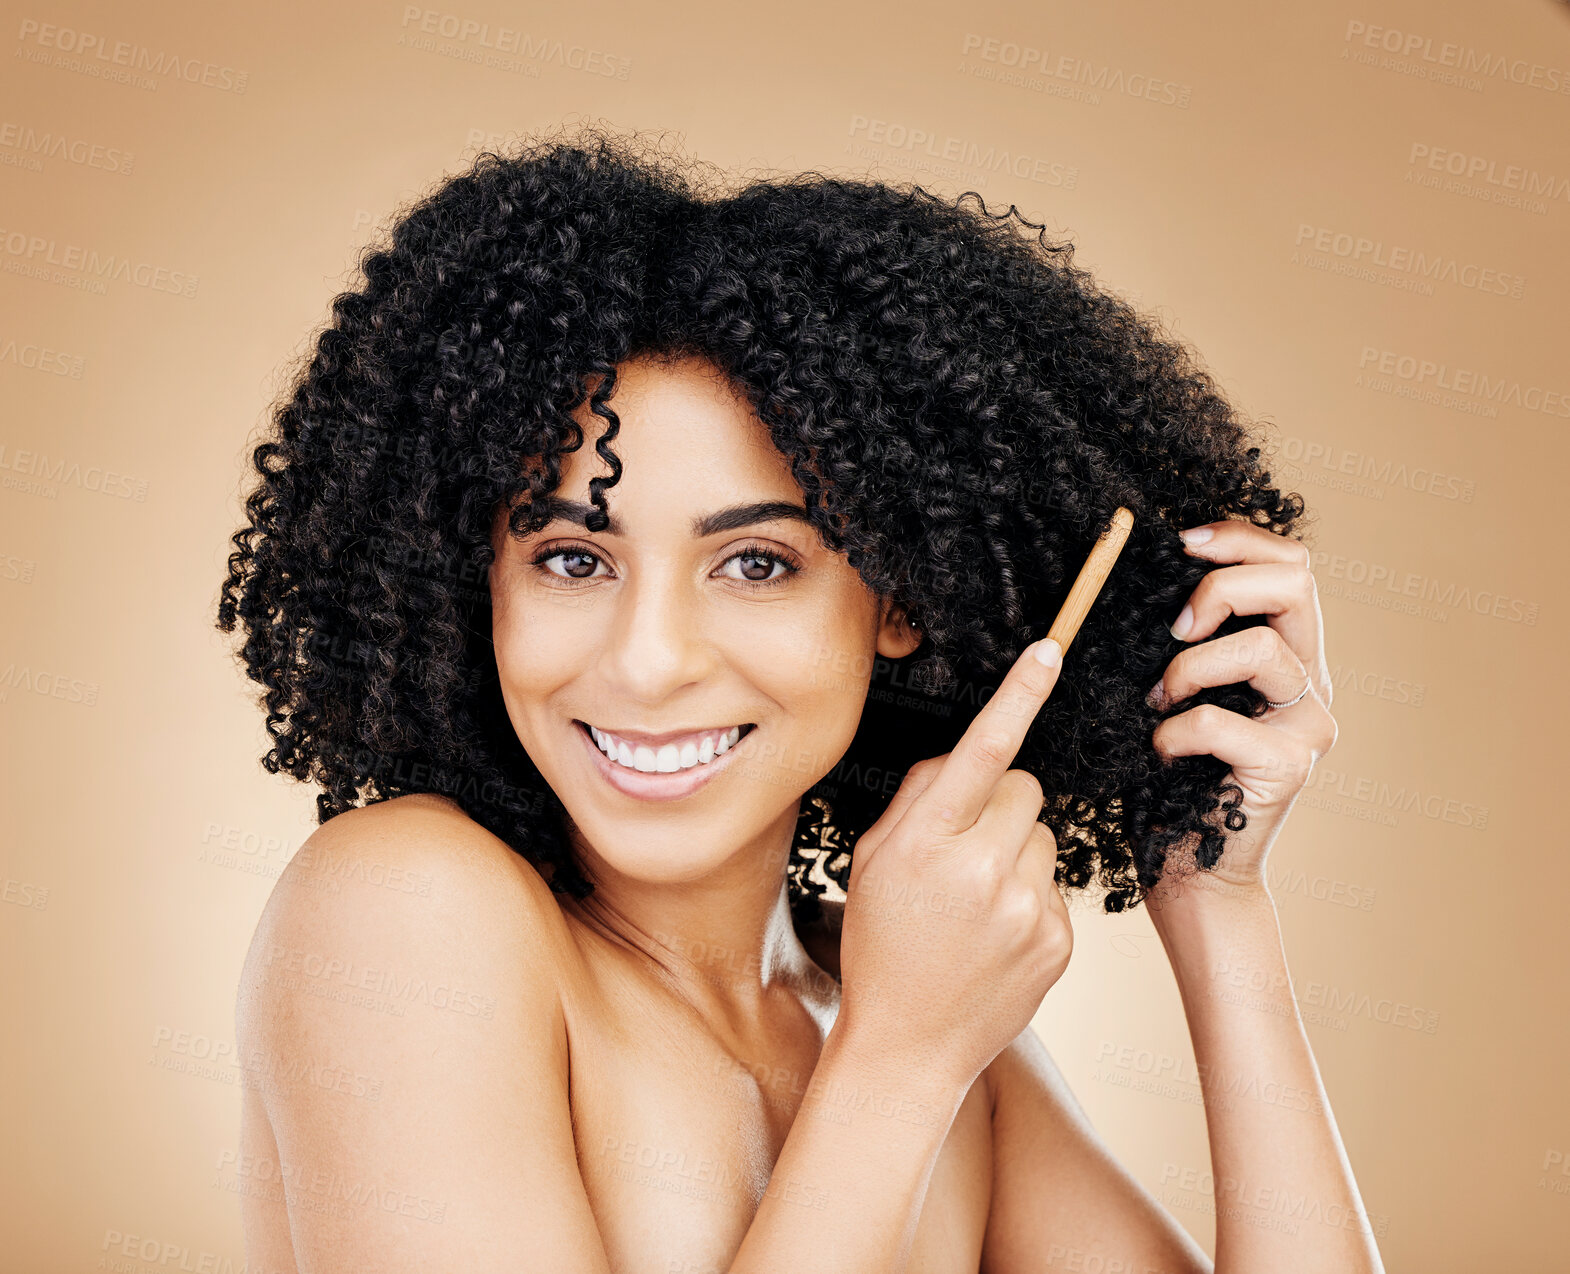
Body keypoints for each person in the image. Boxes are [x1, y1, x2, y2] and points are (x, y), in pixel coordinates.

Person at [216, 123, 1382, 1273]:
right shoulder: (403, 906)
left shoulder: (900, 992)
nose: (650, 660)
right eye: (572, 556)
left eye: (756, 562)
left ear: (899, 596)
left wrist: (1209, 883)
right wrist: (895, 1066)